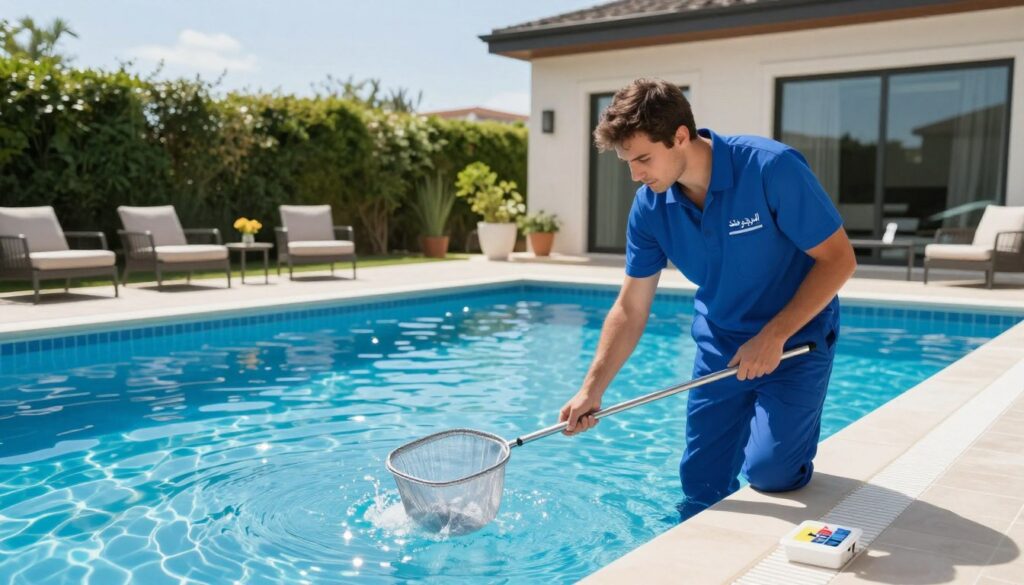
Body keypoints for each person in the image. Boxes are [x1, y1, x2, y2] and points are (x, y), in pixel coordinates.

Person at [557, 78, 857, 520]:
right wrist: (591, 389)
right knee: (700, 485)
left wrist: (773, 336)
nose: (636, 175)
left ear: (680, 136)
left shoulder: (771, 168)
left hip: (796, 340)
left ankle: (783, 448)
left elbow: (839, 260)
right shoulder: (649, 207)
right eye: (628, 162)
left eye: (643, 159)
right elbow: (631, 307)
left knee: (771, 474)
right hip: (721, 344)